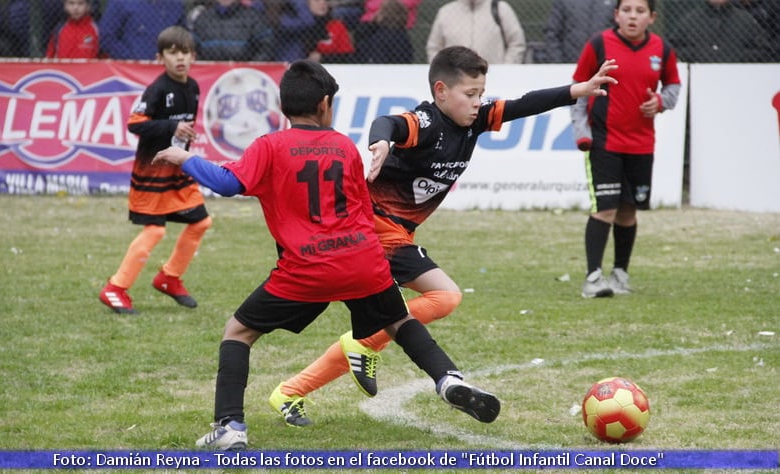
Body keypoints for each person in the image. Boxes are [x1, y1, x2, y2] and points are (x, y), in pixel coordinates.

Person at [152, 60, 502, 450]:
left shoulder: (269, 146)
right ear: (324, 104)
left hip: (305, 268)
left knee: (238, 331)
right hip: (362, 261)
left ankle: (231, 426)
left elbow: (228, 182)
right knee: (400, 322)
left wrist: (185, 159)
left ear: (284, 106)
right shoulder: (342, 147)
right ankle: (448, 379)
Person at [267, 46, 618, 427]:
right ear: (440, 91)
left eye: (481, 94)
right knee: (443, 296)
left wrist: (575, 90)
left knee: (401, 313)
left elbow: (522, 105)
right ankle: (362, 343)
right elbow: (390, 122)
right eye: (470, 94)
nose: (477, 102)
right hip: (373, 227)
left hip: (391, 232)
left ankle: (290, 391)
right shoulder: (427, 121)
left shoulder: (474, 121)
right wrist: (382, 142)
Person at [570, 0, 681, 298]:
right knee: (605, 209)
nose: (633, 16)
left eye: (640, 11)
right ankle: (593, 278)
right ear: (617, 14)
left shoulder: (663, 49)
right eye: (627, 10)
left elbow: (673, 86)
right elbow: (579, 87)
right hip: (604, 142)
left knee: (628, 212)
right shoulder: (598, 45)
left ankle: (620, 274)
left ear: (652, 17)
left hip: (642, 145)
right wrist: (582, 132)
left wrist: (659, 102)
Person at [98, 26, 211, 315]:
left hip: (179, 171)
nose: (180, 59)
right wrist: (172, 126)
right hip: (153, 173)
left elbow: (182, 130)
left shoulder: (194, 88)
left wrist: (182, 139)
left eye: (184, 52)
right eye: (172, 53)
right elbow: (135, 123)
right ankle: (115, 288)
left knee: (200, 222)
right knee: (154, 231)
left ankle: (169, 278)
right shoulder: (157, 89)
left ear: (193, 56)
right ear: (160, 58)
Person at [668, 0, 772, 62]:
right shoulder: (690, 20)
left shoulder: (746, 20)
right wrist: (699, 55)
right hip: (700, 79)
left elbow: (764, 51)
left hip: (739, 78)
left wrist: (734, 56)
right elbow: (673, 49)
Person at [426, 0, 526, 64]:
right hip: (455, 82)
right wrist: (443, 72)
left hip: (495, 78)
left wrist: (506, 68)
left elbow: (516, 42)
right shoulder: (445, 12)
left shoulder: (501, 9)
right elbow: (434, 47)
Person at [99, 0, 186, 60]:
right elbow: (106, 36)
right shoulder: (121, 2)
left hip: (167, 69)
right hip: (131, 72)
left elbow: (183, 37)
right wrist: (129, 57)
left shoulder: (175, 5)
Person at [191, 0, 274, 61]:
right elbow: (192, 49)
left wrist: (249, 70)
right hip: (210, 79)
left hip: (244, 80)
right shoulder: (203, 18)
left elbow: (266, 49)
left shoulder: (253, 18)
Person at [540, 0, 616, 63]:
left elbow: (620, 32)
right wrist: (558, 62)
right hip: (570, 63)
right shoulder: (563, 2)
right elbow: (552, 33)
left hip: (604, 64)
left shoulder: (614, 2)